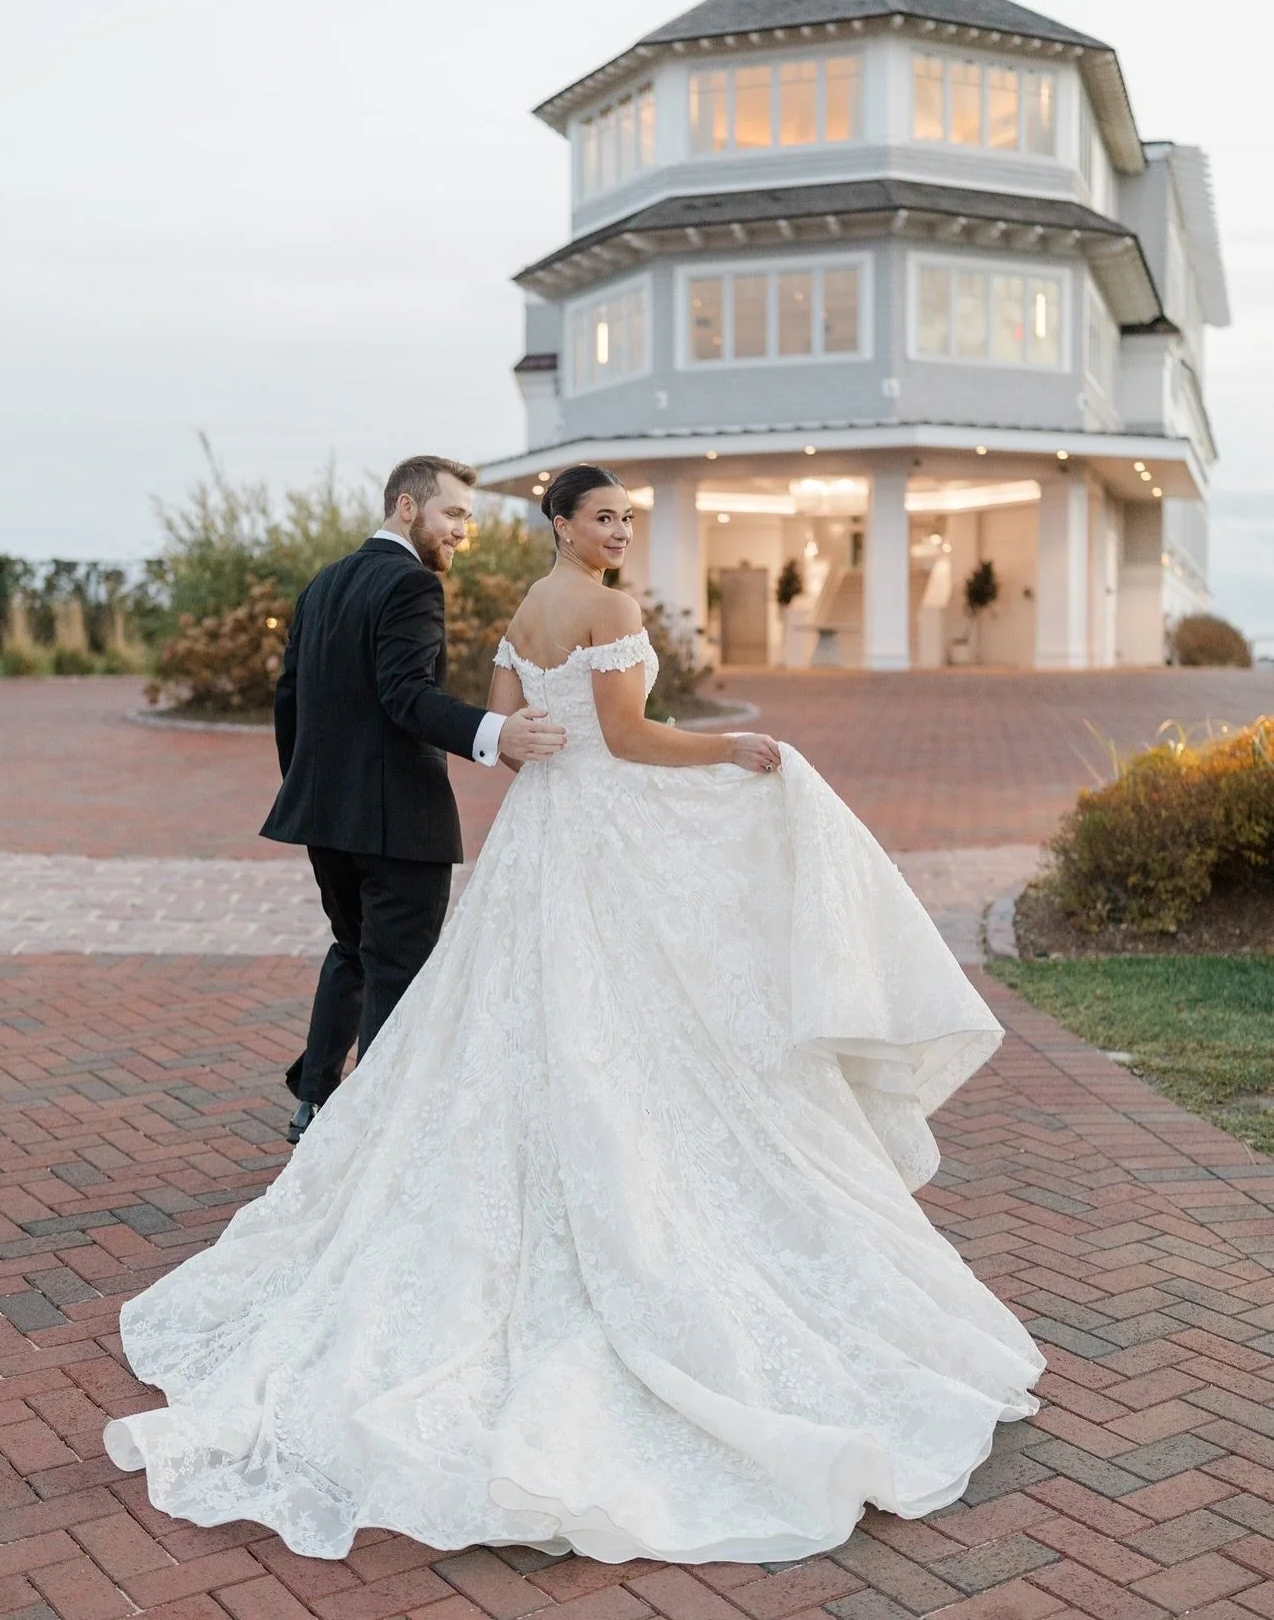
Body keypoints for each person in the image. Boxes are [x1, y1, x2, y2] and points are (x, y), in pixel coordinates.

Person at [106, 463, 1044, 1565]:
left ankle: (332, 1102)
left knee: (505, 1015)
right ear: (561, 521)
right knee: (631, 1022)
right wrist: (728, 749)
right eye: (604, 516)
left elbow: (513, 728)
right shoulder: (603, 606)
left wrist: (536, 743)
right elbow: (633, 737)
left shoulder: (520, 610)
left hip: (541, 834)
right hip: (596, 830)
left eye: (628, 519)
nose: (620, 532)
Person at [260, 455, 565, 1144]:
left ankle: (312, 1105)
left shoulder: (324, 583)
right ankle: (371, 1136)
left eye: (467, 517)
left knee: (352, 951)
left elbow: (289, 699)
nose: (463, 531)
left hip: (322, 812)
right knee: (397, 971)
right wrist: (499, 732)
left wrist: (306, 785)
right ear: (407, 507)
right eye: (452, 514)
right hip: (396, 820)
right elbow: (406, 698)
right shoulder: (410, 585)